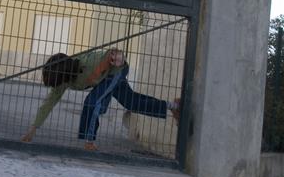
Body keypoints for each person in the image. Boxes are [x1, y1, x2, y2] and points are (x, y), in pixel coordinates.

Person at [21, 49, 180, 151]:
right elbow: (49, 103)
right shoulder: (64, 80)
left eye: (58, 83)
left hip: (116, 70)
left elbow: (111, 54)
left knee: (92, 102)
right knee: (131, 102)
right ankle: (173, 105)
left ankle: (90, 141)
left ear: (65, 75)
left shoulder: (88, 62)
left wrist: (117, 57)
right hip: (105, 77)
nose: (57, 87)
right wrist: (32, 130)